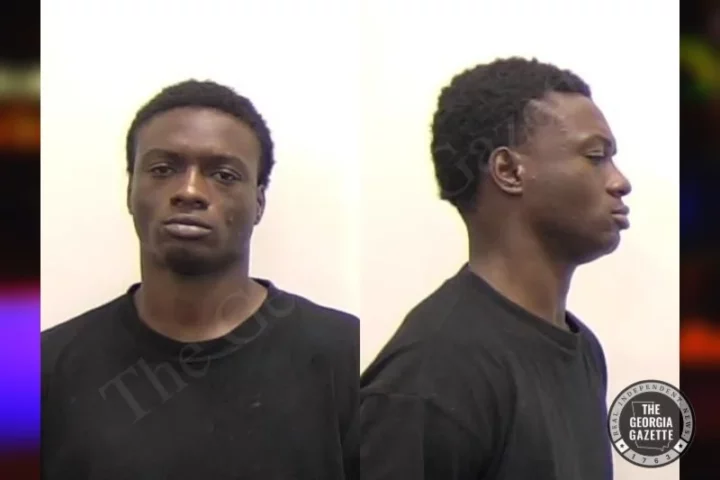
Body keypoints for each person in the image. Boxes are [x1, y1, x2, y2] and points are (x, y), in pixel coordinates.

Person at [41, 80, 359, 480]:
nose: (189, 191)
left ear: (259, 202)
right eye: (162, 170)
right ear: (130, 189)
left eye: (224, 175)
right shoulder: (38, 372)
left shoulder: (346, 357)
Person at [360, 57, 631, 480]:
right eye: (595, 156)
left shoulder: (583, 350)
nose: (620, 181)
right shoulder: (434, 371)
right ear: (508, 171)